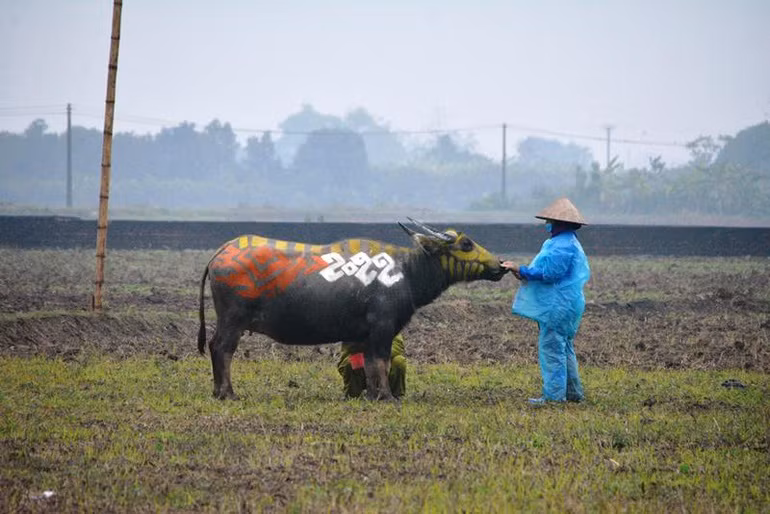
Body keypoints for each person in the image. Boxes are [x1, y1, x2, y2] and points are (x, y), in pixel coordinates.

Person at [502, 197, 591, 405]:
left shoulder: (562, 245)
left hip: (559, 305)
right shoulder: (568, 242)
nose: (546, 225)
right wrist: (522, 273)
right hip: (567, 303)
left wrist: (521, 269)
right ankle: (573, 393)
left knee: (551, 348)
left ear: (559, 223)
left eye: (549, 221)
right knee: (564, 347)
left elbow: (550, 273)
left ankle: (554, 397)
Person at [337, 333, 406, 398]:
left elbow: (397, 346)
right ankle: (352, 394)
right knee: (351, 363)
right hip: (362, 359)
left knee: (399, 361)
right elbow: (351, 347)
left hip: (384, 362)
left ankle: (396, 394)